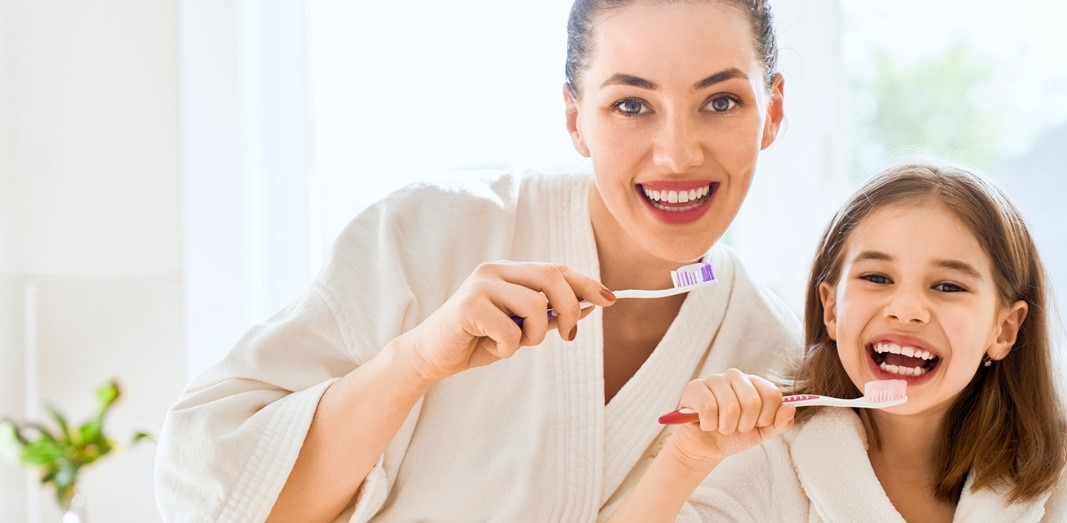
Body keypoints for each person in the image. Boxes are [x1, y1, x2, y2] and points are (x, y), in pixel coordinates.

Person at [155, 1, 803, 520]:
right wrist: (415, 361)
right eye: (630, 105)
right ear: (574, 119)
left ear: (770, 112)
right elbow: (217, 497)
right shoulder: (422, 237)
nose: (676, 154)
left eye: (720, 102)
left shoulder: (774, 361)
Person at [610, 162, 1067, 521]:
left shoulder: (1062, 474)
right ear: (832, 310)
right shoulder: (765, 461)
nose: (906, 307)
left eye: (948, 286)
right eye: (877, 278)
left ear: (1004, 330)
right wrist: (686, 461)